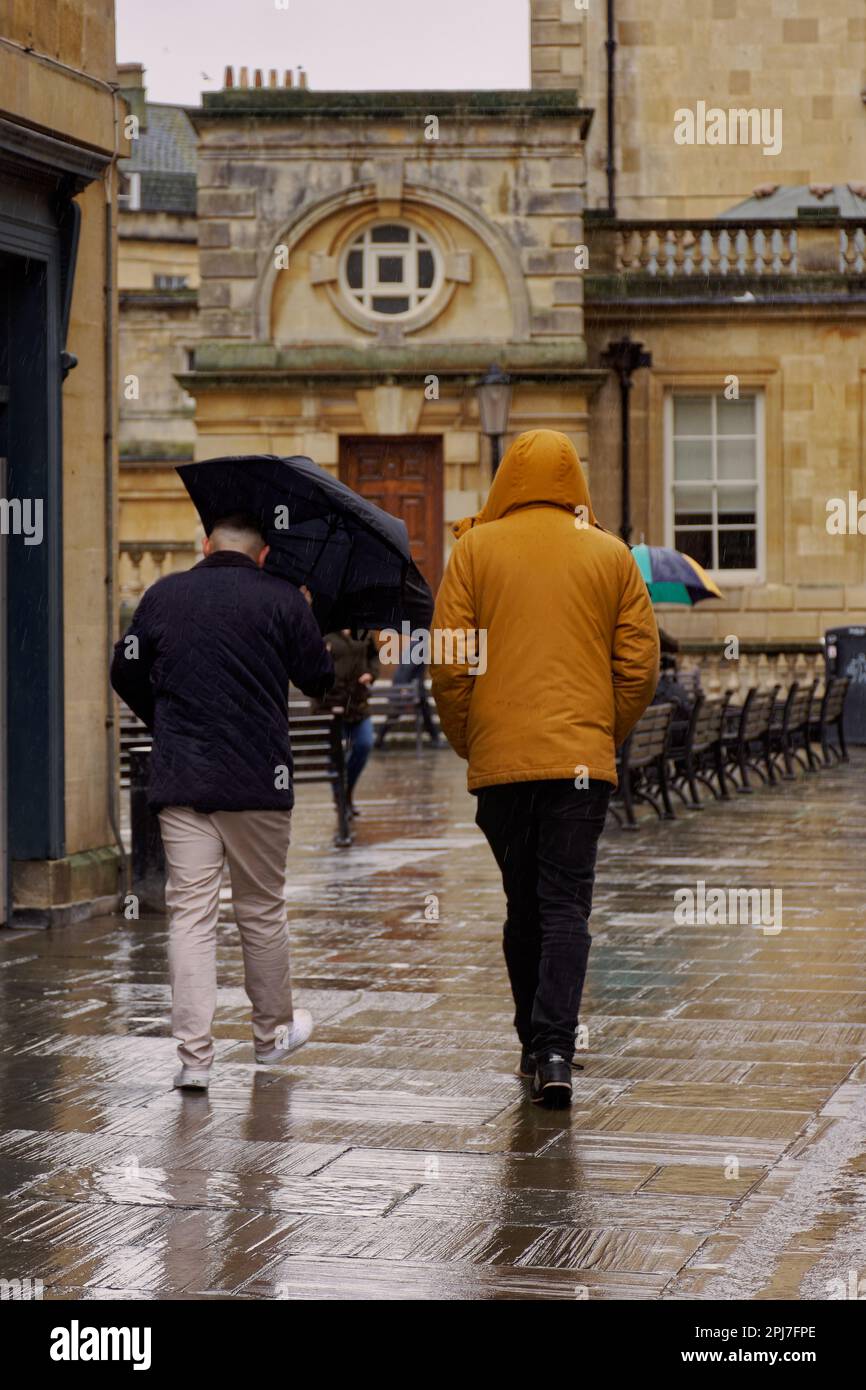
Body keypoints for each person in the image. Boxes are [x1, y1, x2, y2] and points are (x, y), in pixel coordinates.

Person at [431, 430, 659, 1108]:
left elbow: (447, 662)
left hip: (502, 767)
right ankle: (556, 1048)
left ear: (507, 480)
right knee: (565, 905)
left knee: (521, 904)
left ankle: (531, 1041)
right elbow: (640, 667)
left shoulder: (472, 550)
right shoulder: (611, 554)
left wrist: (473, 738)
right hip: (580, 768)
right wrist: (599, 733)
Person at [110, 513, 333, 1091]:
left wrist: (167, 720)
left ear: (207, 545)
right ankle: (271, 1037)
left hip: (184, 777)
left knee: (191, 915)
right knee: (260, 911)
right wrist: (306, 612)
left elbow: (124, 668)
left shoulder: (163, 594)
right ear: (262, 556)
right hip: (259, 778)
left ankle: (194, 1060)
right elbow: (320, 678)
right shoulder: (282, 599)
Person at [313, 630, 380, 816]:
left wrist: (371, 674)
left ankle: (346, 791)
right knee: (335, 755)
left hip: (358, 703)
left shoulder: (363, 630)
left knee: (364, 744)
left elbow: (374, 658)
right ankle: (341, 800)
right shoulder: (323, 630)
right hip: (330, 705)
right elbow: (311, 666)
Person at [375, 654, 442, 748]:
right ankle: (435, 739)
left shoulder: (417, 646)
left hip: (410, 688)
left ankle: (435, 739)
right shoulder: (420, 649)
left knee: (424, 711)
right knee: (400, 712)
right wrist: (405, 689)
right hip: (410, 689)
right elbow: (408, 668)